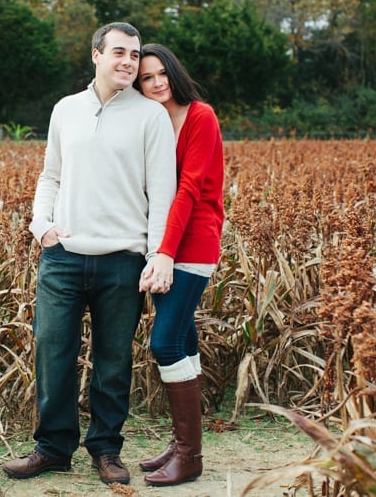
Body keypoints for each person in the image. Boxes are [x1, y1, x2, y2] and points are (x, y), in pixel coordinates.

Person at [2, 22, 177, 485]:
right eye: (119, 52)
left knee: (113, 362)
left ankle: (105, 449)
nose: (129, 62)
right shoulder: (66, 110)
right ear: (95, 55)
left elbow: (162, 193)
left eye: (135, 55)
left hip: (123, 259)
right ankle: (53, 448)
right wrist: (42, 228)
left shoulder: (150, 116)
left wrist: (159, 253)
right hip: (62, 257)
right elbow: (50, 176)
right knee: (52, 353)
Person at [133, 43, 225, 487]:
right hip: (161, 244)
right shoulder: (149, 121)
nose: (156, 83)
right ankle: (181, 444)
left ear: (174, 72)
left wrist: (166, 254)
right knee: (183, 339)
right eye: (146, 78)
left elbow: (189, 189)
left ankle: (189, 456)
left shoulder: (200, 116)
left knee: (165, 342)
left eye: (161, 73)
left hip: (192, 244)